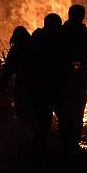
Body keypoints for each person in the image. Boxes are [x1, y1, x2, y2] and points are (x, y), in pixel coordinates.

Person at [59, 4, 87, 155]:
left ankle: (65, 146)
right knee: (76, 113)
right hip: (78, 79)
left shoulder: (61, 32)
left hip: (64, 79)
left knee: (65, 113)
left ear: (69, 15)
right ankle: (72, 145)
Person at [29, 13, 66, 154]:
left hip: (42, 87)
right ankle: (62, 151)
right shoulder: (62, 39)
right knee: (62, 120)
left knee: (42, 122)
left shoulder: (37, 37)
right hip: (56, 87)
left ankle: (39, 150)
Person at [2, 26, 34, 137]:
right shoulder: (36, 48)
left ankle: (24, 140)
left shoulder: (15, 51)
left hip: (22, 87)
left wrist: (1, 86)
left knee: (22, 116)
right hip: (37, 87)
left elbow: (8, 71)